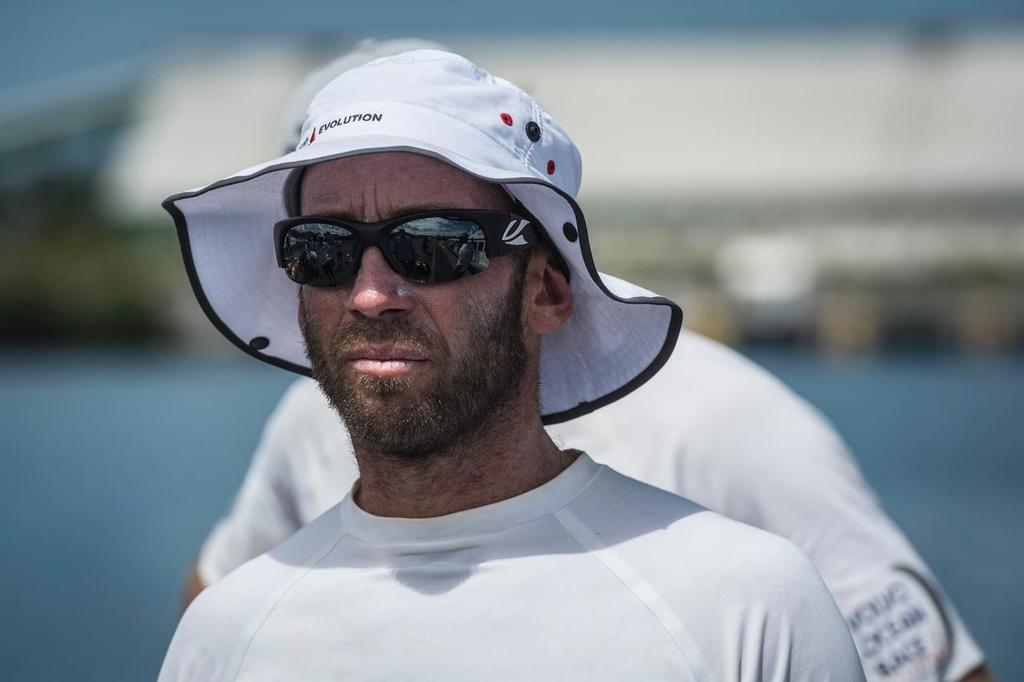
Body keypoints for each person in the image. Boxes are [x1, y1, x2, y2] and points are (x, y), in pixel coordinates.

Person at [184, 42, 991, 682]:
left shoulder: (750, 603)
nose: (369, 294)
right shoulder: (225, 637)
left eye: (430, 247)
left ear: (546, 290)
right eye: (321, 251)